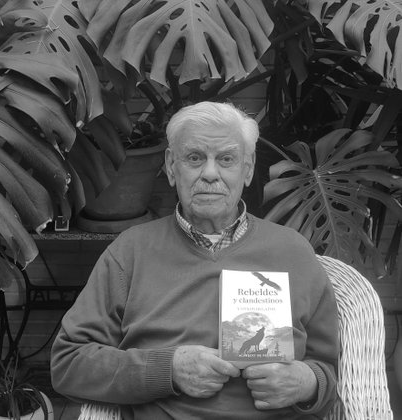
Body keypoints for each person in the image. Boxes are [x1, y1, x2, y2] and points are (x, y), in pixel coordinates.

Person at [51, 101, 339, 419]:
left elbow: (330, 370)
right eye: (194, 158)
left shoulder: (292, 252)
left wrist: (307, 383)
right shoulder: (131, 251)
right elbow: (68, 364)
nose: (210, 174)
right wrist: (168, 369)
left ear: (247, 169)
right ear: (171, 167)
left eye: (226, 159)